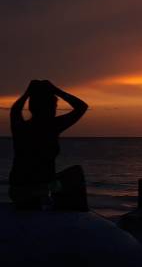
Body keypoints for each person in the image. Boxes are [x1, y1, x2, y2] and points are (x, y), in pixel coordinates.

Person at [9, 80, 89, 210]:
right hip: (38, 190)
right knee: (75, 175)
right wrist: (56, 90)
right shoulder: (52, 126)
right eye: (54, 106)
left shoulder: (20, 127)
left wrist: (27, 93)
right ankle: (73, 212)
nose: (55, 110)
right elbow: (81, 107)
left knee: (67, 176)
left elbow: (15, 110)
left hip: (16, 191)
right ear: (49, 108)